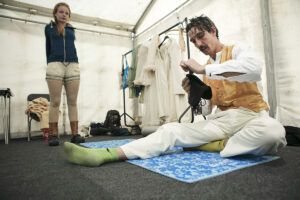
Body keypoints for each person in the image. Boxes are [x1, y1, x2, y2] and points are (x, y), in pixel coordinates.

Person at [63, 15, 286, 166]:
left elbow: (254, 69)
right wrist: (194, 94)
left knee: (273, 133)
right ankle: (106, 155)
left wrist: (204, 68)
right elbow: (207, 109)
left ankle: (215, 146)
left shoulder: (236, 50)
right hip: (222, 120)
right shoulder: (206, 70)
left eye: (201, 37)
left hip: (251, 117)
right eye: (193, 40)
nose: (198, 44)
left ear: (213, 31)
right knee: (171, 129)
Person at [45, 2, 85, 146]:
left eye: (67, 13)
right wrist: (50, 62)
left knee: (72, 101)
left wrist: (75, 62)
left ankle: (75, 134)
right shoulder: (49, 28)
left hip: (72, 65)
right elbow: (48, 48)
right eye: (61, 12)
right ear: (55, 14)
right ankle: (53, 134)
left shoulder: (71, 29)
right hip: (55, 65)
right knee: (55, 102)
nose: (64, 15)